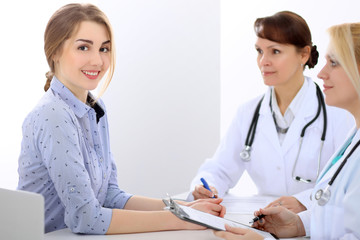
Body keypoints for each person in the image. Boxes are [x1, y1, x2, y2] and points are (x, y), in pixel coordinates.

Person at [17, 3, 225, 235]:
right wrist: (180, 221)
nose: (97, 61)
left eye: (104, 49)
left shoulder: (94, 108)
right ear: (54, 51)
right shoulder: (52, 115)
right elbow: (86, 218)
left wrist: (185, 209)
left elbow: (109, 195)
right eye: (84, 47)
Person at [189, 11, 354, 213]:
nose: (263, 61)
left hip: (314, 221)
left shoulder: (339, 113)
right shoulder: (248, 113)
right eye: (259, 51)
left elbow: (348, 183)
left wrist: (305, 201)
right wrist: (206, 188)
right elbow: (220, 169)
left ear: (303, 54)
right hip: (259, 219)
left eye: (275, 51)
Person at [214, 22, 360, 240]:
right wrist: (299, 224)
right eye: (259, 51)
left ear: (304, 55)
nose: (321, 73)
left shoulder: (340, 118)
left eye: (334, 63)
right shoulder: (354, 137)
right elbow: (344, 215)